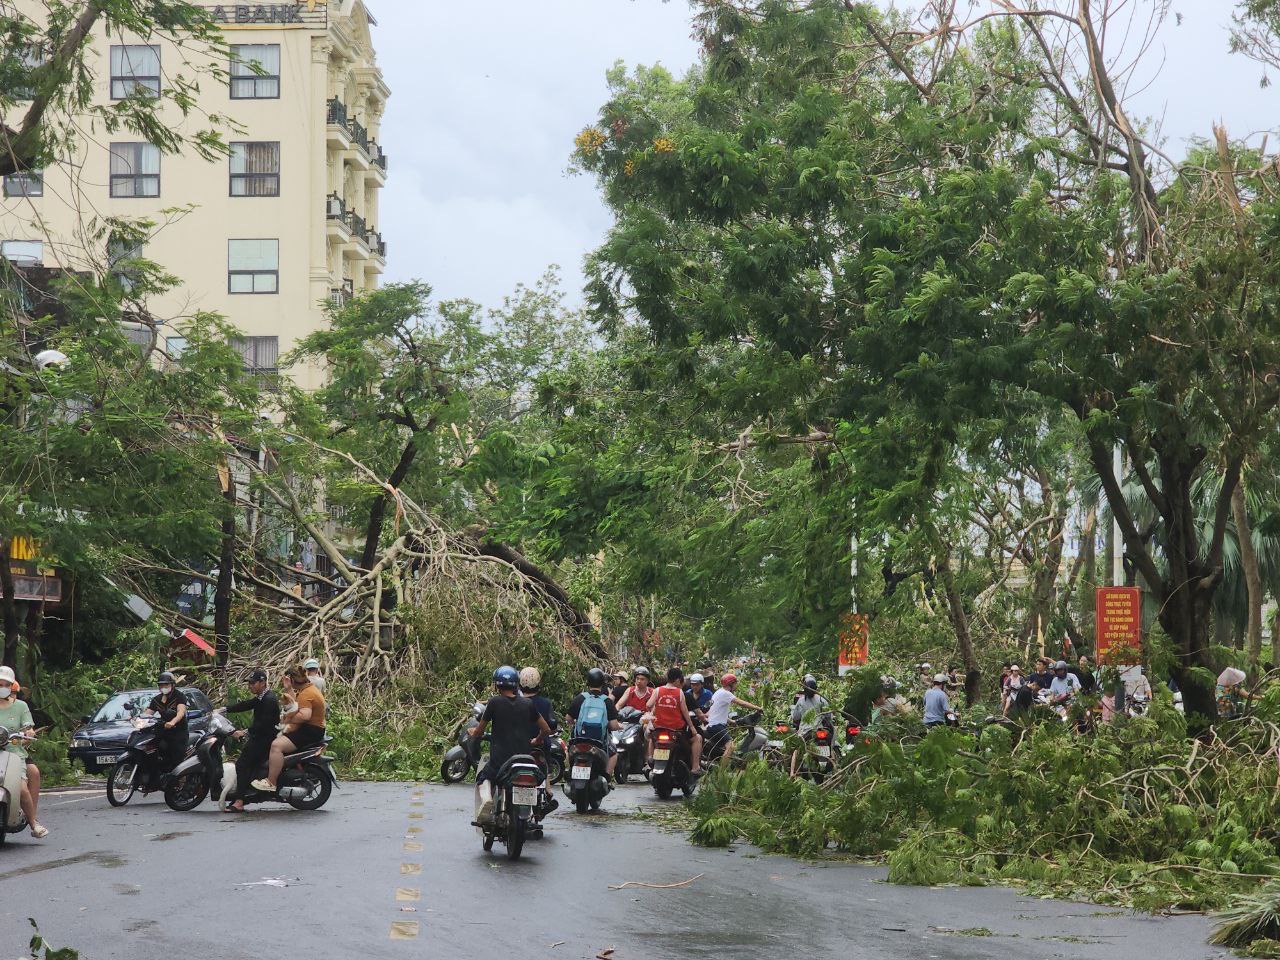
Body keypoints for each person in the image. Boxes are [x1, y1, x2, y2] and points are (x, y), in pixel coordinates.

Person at [469, 665, 551, 823]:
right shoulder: (528, 704)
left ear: (496, 684)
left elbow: (480, 731)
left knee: (483, 777)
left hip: (500, 760)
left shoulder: (494, 702)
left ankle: (487, 800)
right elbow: (546, 729)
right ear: (516, 684)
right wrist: (537, 740)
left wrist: (474, 733)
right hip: (525, 759)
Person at [252, 665, 326, 794]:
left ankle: (271, 782)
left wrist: (286, 718)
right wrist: (288, 688)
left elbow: (304, 715)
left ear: (292, 680)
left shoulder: (307, 693)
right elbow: (295, 705)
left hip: (310, 730)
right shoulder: (307, 689)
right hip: (313, 728)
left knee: (276, 745)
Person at [223, 669, 280, 811]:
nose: (250, 686)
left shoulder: (269, 700)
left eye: (253, 683)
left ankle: (240, 801)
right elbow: (246, 704)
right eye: (249, 683)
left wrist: (244, 732)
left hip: (264, 739)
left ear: (263, 682)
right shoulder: (262, 697)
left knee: (242, 764)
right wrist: (224, 709)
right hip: (261, 737)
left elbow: (263, 724)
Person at [0, 666, 46, 838]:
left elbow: (28, 729)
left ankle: (33, 823)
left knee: (21, 788)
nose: (2, 687)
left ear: (11, 686)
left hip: (14, 754)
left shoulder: (20, 706)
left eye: (6, 684)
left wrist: (28, 734)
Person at [519, 666, 560, 818]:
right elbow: (551, 725)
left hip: (519, 745)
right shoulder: (545, 703)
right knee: (545, 766)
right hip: (540, 746)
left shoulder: (516, 703)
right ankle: (547, 790)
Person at [568, 668, 622, 778]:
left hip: (580, 739)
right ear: (603, 683)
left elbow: (568, 718)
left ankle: (569, 770)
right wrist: (619, 726)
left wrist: (576, 722)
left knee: (568, 748)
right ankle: (607, 777)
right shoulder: (606, 701)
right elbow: (613, 725)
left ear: (588, 682)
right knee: (614, 754)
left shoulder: (580, 698)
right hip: (599, 742)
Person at [651, 667, 702, 776]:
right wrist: (692, 728)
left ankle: (649, 760)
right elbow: (685, 712)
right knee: (697, 738)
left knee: (651, 736)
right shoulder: (680, 693)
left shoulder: (657, 690)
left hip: (659, 727)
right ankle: (695, 767)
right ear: (678, 680)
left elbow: (648, 705)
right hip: (676, 729)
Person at [704, 673, 762, 764]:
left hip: (713, 725)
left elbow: (716, 711)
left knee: (722, 748)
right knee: (730, 746)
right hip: (717, 726)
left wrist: (732, 721)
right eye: (735, 683)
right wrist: (757, 708)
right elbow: (741, 703)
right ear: (731, 684)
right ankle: (721, 773)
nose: (736, 685)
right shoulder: (726, 693)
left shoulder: (719, 692)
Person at [144, 671, 189, 778]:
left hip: (178, 731)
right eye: (161, 685)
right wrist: (137, 719)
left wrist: (173, 722)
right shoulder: (157, 699)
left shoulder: (179, 696)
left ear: (172, 685)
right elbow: (148, 713)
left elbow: (181, 712)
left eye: (166, 685)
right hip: (163, 730)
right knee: (151, 749)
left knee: (176, 756)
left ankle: (176, 778)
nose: (164, 687)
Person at [789, 675, 831, 777]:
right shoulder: (822, 699)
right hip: (820, 730)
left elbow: (795, 717)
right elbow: (828, 715)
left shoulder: (801, 701)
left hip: (805, 732)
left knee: (796, 750)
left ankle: (792, 773)